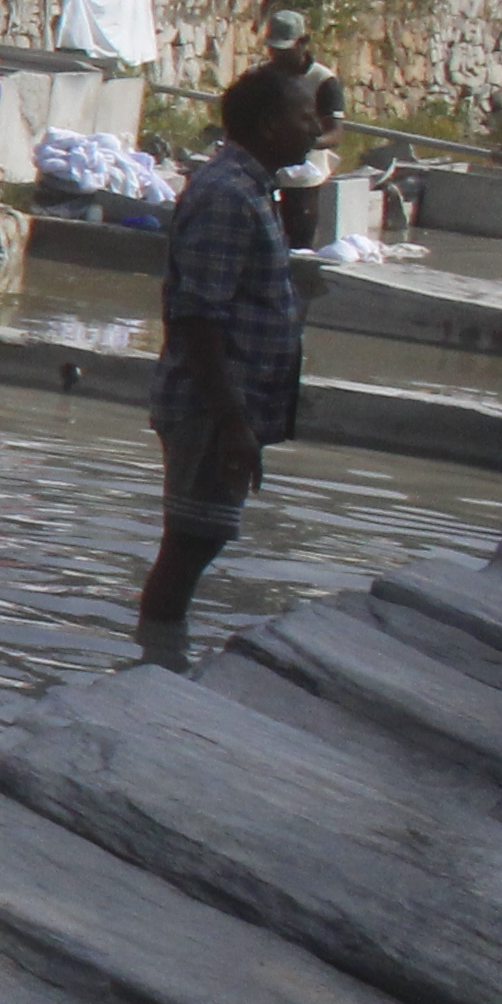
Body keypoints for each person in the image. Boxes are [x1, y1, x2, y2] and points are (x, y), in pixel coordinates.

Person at [144, 58, 332, 666]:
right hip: (211, 407)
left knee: (199, 540)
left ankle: (160, 661)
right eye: (306, 117)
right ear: (271, 124)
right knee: (190, 544)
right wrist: (230, 421)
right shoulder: (229, 195)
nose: (316, 129)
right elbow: (198, 315)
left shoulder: (252, 189)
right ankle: (156, 668)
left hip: (228, 405)